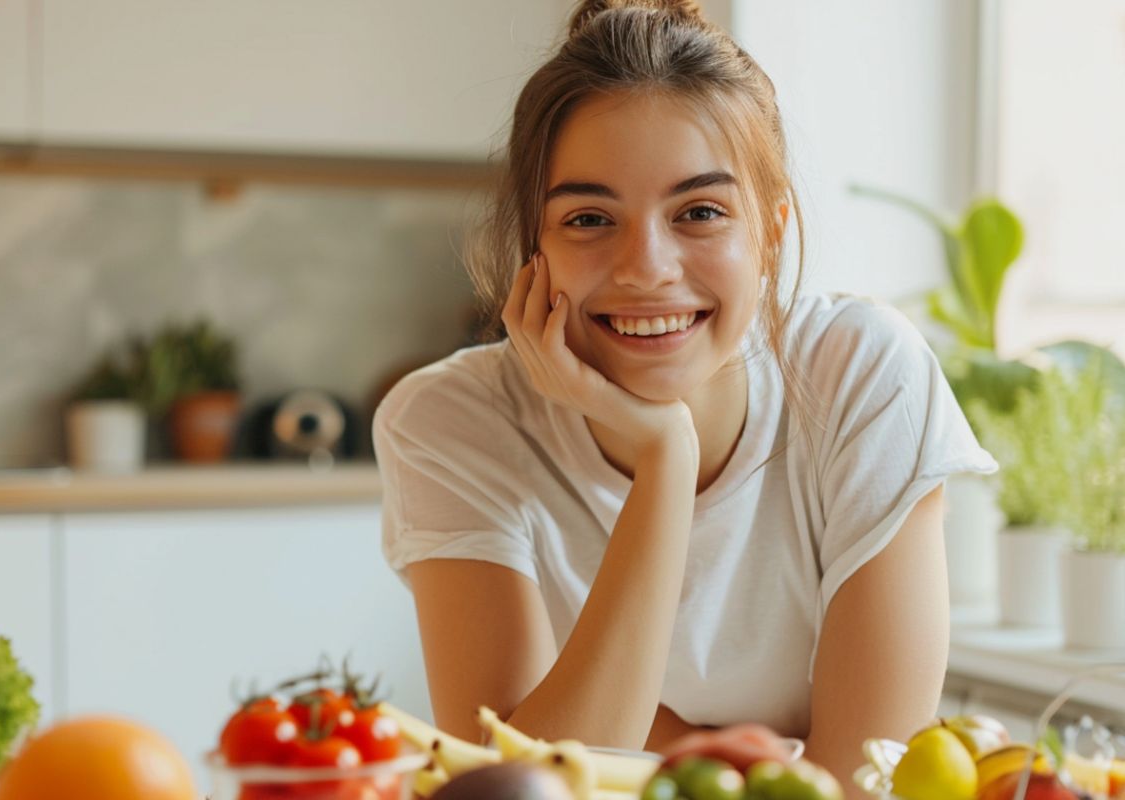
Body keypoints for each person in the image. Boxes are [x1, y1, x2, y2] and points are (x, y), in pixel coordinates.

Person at [373, 0, 995, 791]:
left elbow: (863, 780)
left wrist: (672, 743)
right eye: (590, 217)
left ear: (769, 232)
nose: (647, 267)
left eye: (700, 212)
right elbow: (519, 789)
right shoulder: (451, 423)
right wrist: (666, 455)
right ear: (535, 245)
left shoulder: (861, 373)